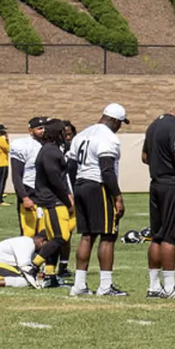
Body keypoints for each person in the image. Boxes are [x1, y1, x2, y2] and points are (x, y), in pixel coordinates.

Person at [66, 104, 130, 297]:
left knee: (87, 235)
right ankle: (105, 286)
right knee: (108, 235)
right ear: (116, 121)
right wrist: (117, 196)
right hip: (98, 185)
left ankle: (79, 284)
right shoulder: (108, 137)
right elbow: (107, 168)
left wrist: (73, 189)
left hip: (80, 184)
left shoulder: (82, 134)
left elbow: (70, 165)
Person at [144, 97, 175, 298]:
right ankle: (170, 286)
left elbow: (144, 157)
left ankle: (154, 285)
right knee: (170, 236)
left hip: (155, 182)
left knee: (157, 234)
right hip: (171, 184)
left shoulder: (154, 124)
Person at [30, 120, 76, 286]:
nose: (66, 135)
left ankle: (50, 274)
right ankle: (33, 266)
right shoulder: (50, 151)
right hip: (53, 200)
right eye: (63, 132)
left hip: (51, 199)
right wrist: (66, 198)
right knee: (60, 236)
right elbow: (54, 177)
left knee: (52, 238)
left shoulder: (49, 149)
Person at [10, 116, 47, 240]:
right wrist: (24, 197)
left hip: (46, 193)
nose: (43, 131)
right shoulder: (23, 145)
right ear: (30, 130)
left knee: (44, 233)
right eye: (39, 128)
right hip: (29, 190)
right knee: (28, 233)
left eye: (45, 128)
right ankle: (26, 259)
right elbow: (16, 174)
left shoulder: (51, 144)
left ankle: (40, 259)